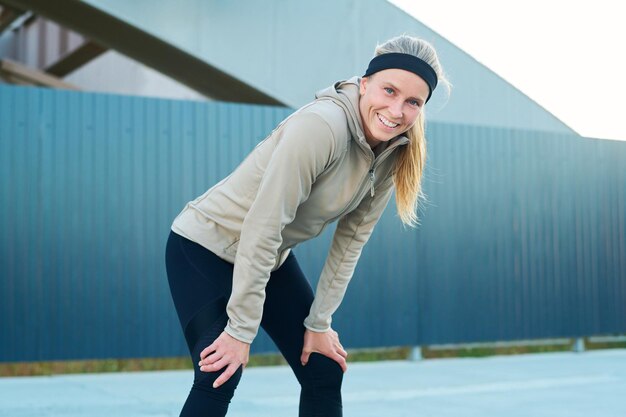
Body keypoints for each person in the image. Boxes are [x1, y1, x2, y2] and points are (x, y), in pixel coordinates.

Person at [165, 34, 448, 417]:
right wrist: (239, 330)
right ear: (364, 84)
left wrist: (319, 323)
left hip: (270, 258)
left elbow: (351, 242)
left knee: (323, 368)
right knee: (220, 372)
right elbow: (263, 226)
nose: (396, 110)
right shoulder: (321, 127)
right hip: (203, 247)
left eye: (413, 102)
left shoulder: (393, 149)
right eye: (389, 90)